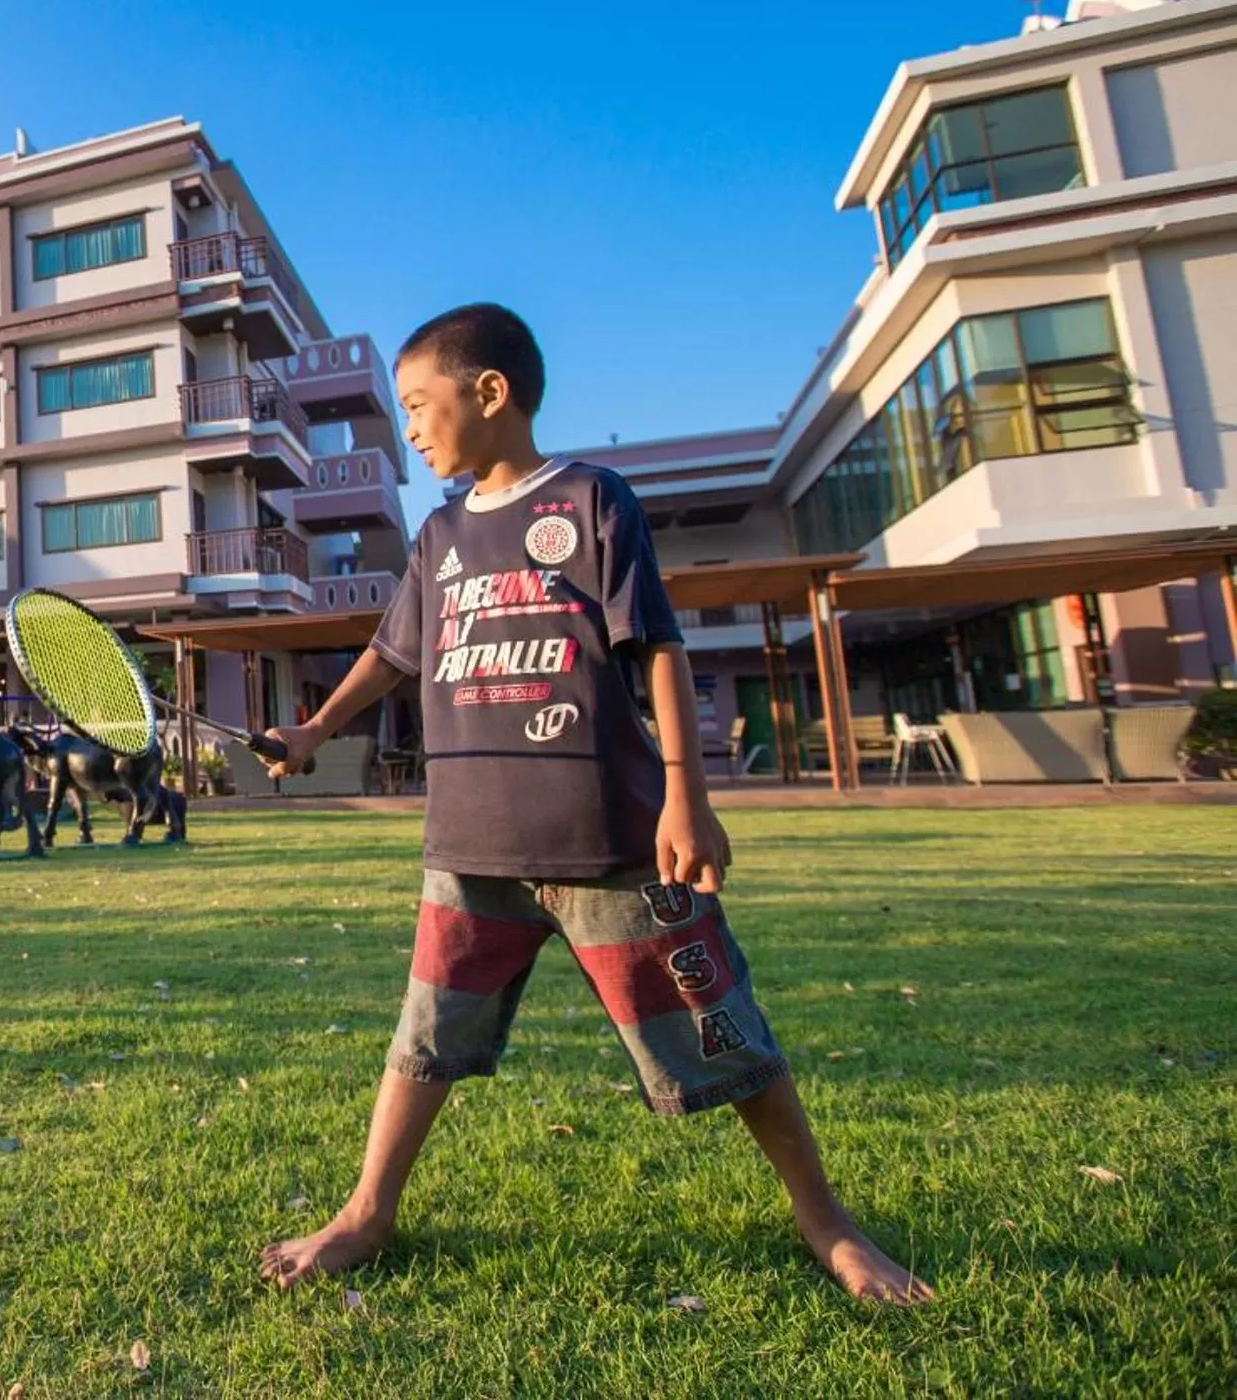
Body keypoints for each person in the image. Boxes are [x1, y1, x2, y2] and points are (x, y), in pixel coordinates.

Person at [257, 304, 931, 1305]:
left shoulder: (591, 499)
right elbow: (392, 654)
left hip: (610, 839)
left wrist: (685, 797)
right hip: (470, 847)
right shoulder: (439, 534)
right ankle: (366, 1212)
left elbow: (656, 646)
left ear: (490, 392)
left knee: (723, 1027)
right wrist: (314, 729)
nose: (410, 429)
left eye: (418, 404)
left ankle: (824, 1218)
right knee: (424, 1037)